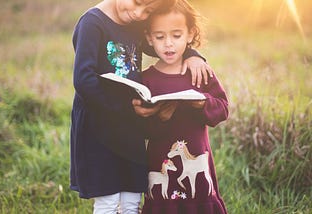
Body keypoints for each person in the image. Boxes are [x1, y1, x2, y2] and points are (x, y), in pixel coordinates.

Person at [70, 0, 214, 213]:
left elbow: (164, 45)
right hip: (98, 127)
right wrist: (127, 108)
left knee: (132, 198)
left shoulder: (136, 23)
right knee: (108, 200)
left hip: (130, 126)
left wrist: (193, 55)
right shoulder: (92, 24)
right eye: (137, 3)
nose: (139, 14)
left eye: (149, 11)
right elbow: (83, 80)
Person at [133, 0, 229, 213]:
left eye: (176, 36)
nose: (168, 44)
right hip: (160, 162)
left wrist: (203, 102)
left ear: (189, 34)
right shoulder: (146, 80)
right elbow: (140, 129)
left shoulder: (199, 72)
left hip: (198, 158)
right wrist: (160, 119)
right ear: (149, 37)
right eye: (160, 37)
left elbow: (222, 109)